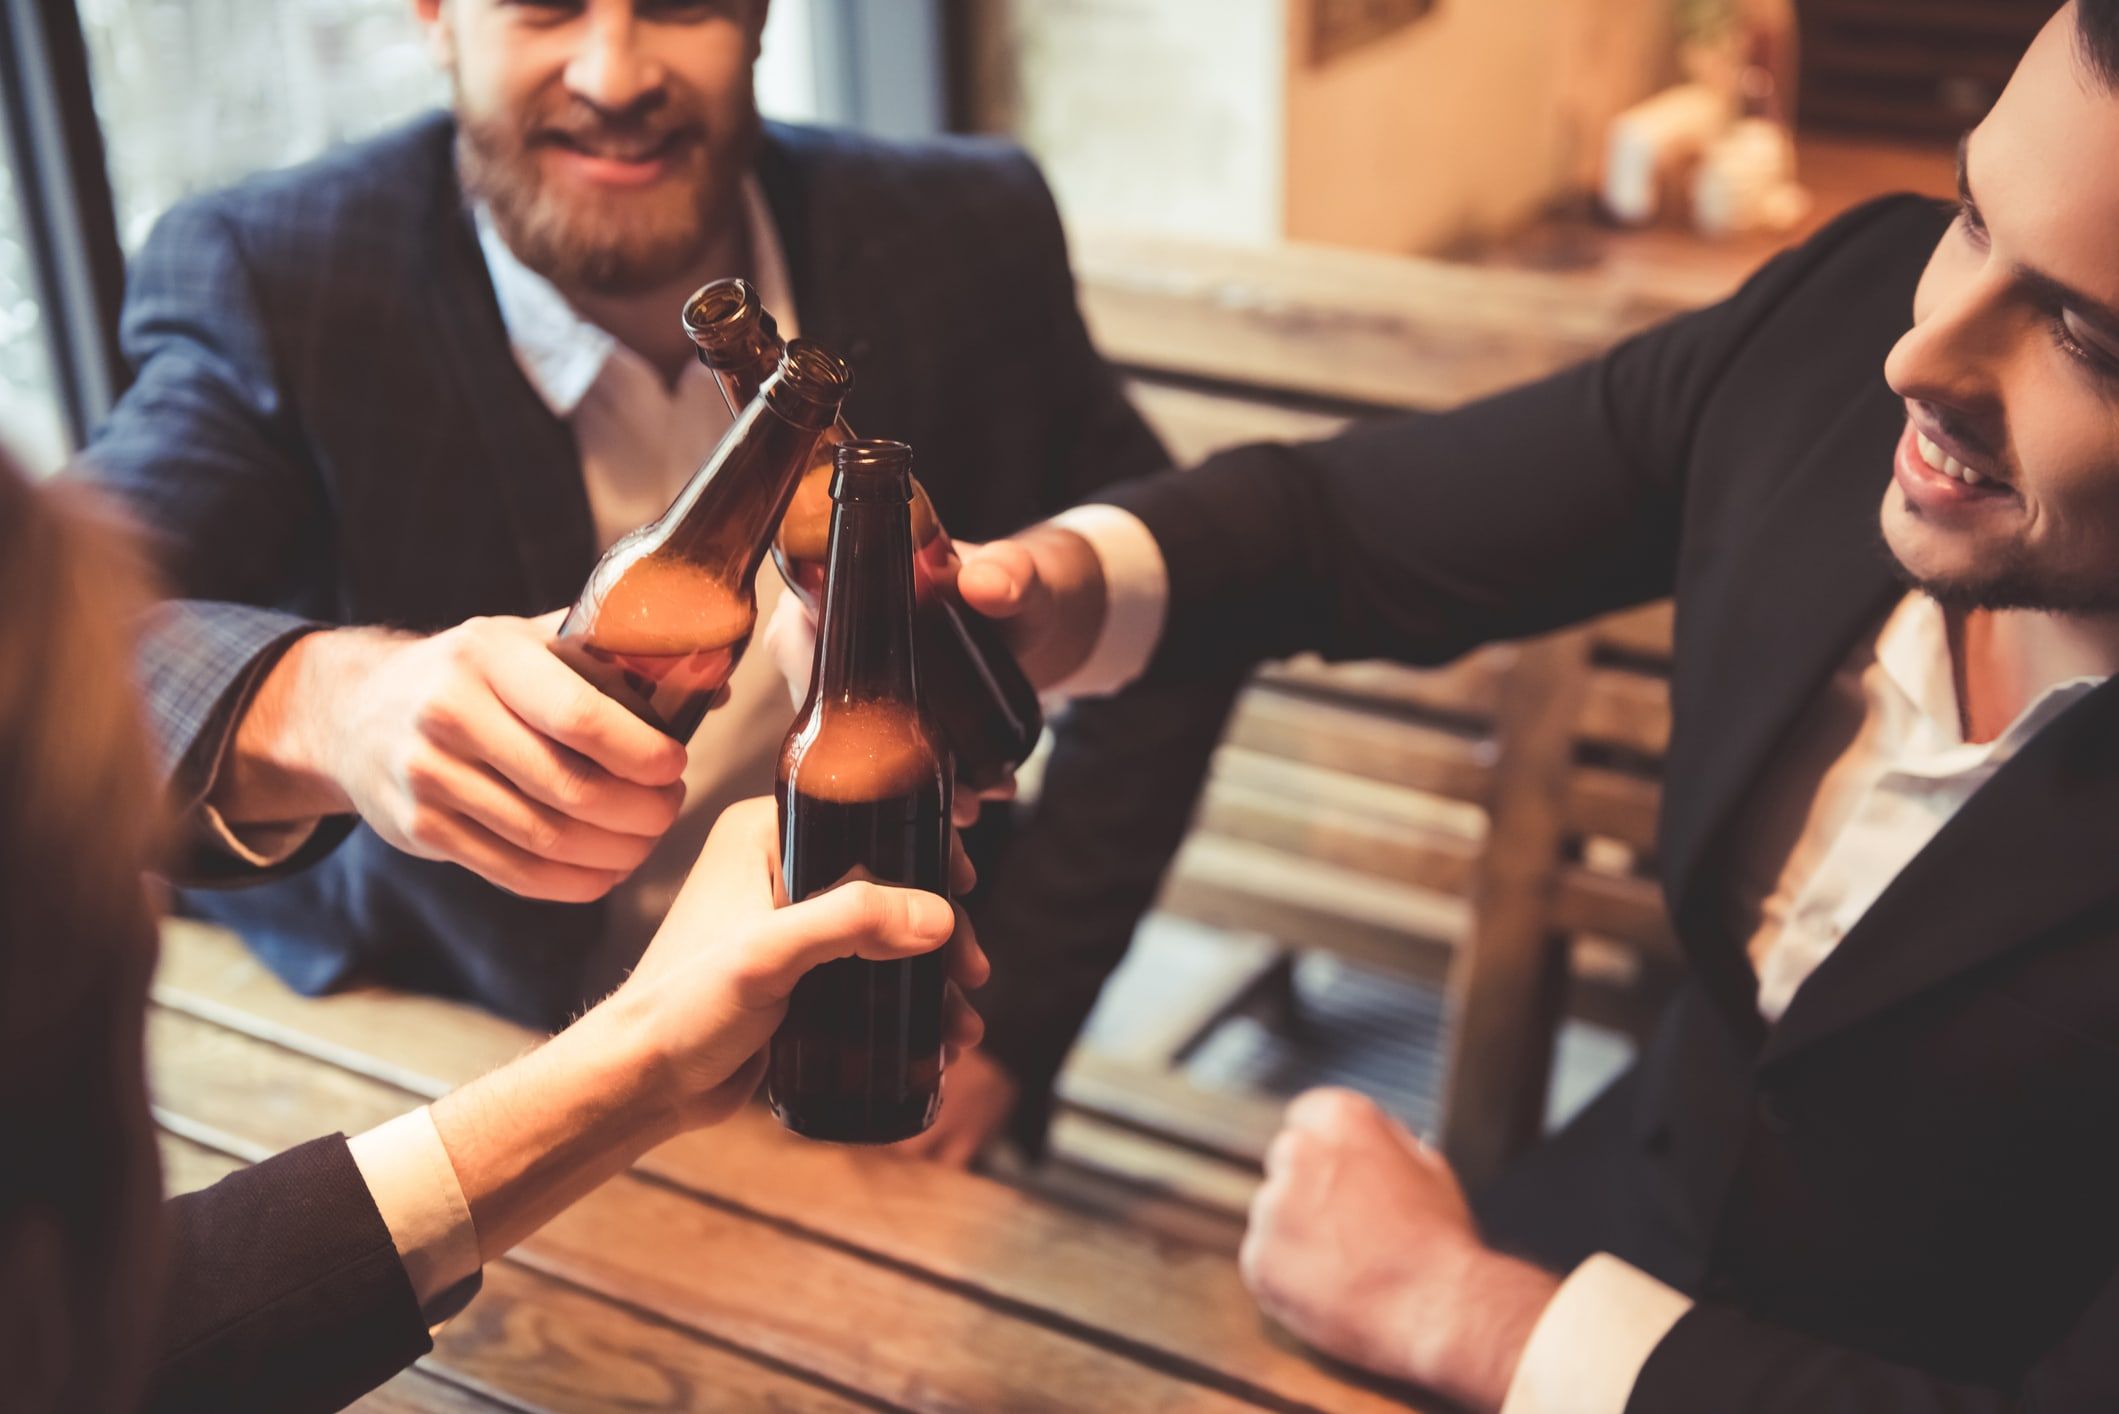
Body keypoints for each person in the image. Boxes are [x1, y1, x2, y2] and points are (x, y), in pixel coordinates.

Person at [935, 4, 2119, 1408]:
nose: (1915, 356)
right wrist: (1053, 591)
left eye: (2085, 338)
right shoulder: (1838, 323)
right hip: (1608, 1218)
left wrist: (1472, 1315)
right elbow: (1346, 529)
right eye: (1972, 215)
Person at [76, 0, 1240, 1165]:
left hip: (871, 1061)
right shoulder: (276, 276)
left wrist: (1016, 1028)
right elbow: (59, 637)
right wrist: (337, 708)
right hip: (461, 1071)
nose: (614, 72)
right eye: (547, 4)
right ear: (433, 14)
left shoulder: (966, 230)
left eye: (680, 2)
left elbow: (1177, 598)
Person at [0, 445, 984, 1413]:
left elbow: (122, 1341)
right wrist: (333, 701)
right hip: (427, 1011)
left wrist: (634, 1062)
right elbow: (123, 620)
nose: (146, 898)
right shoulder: (280, 283)